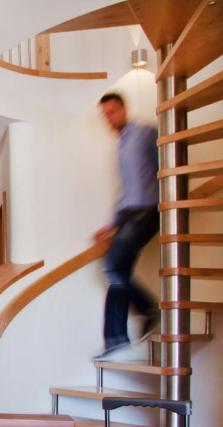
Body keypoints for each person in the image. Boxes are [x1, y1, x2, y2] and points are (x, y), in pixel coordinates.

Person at [93, 92, 160, 358]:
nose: (109, 118)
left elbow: (165, 168)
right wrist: (110, 224)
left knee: (111, 266)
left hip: (147, 210)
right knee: (116, 273)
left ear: (123, 109)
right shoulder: (121, 145)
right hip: (126, 214)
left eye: (112, 112)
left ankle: (148, 308)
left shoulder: (146, 133)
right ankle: (115, 339)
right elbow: (125, 190)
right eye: (105, 115)